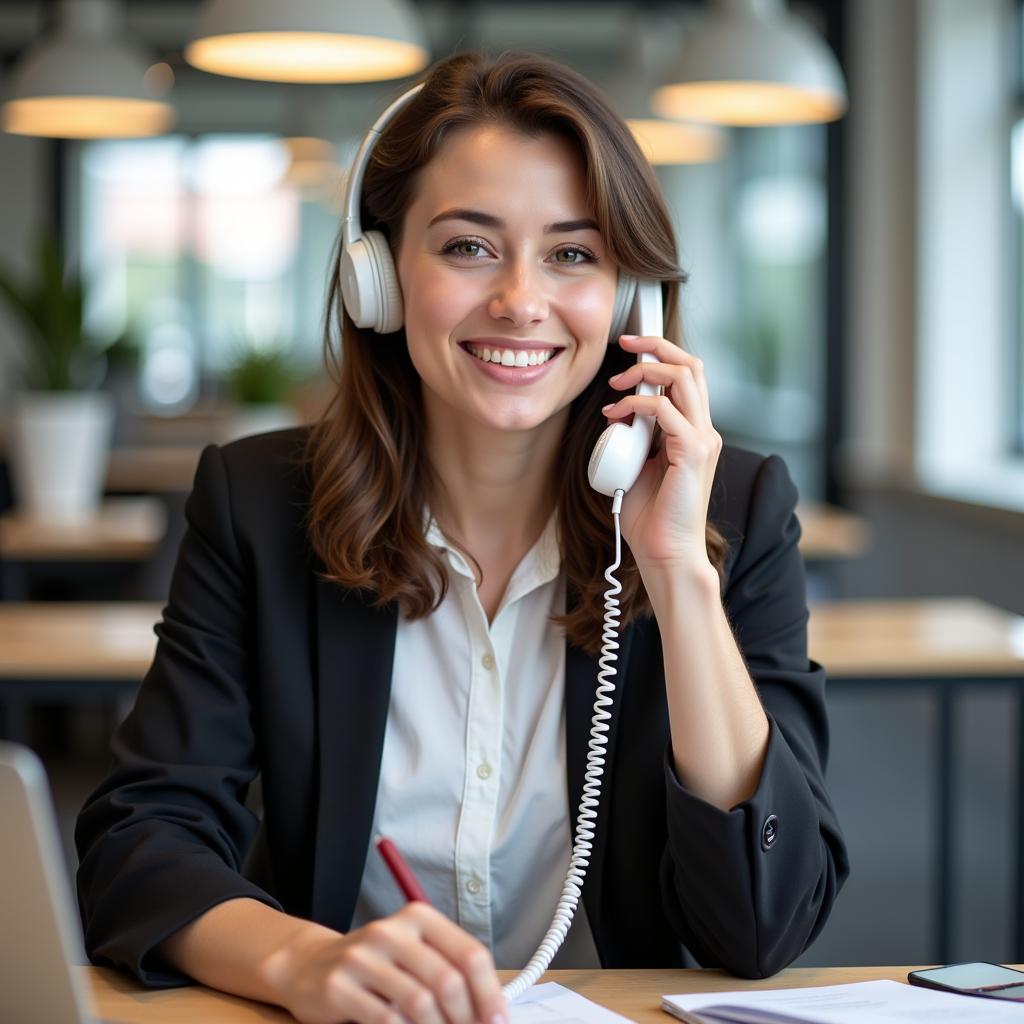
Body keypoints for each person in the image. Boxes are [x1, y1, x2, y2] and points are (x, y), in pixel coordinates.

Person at [75, 50, 848, 1024]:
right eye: (468, 246)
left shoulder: (729, 507)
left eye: (573, 253)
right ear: (379, 276)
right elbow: (141, 838)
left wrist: (676, 572)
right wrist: (303, 963)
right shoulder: (259, 501)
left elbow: (764, 923)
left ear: (630, 299)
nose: (520, 299)